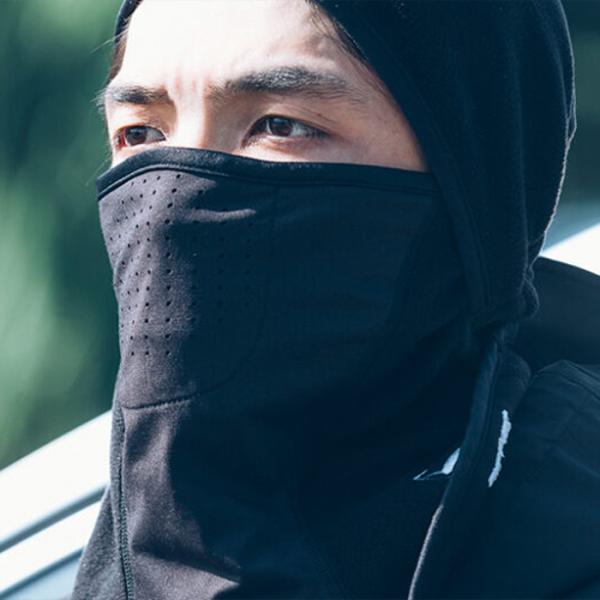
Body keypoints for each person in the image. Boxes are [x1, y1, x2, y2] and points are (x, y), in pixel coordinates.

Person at [73, 1, 600, 598]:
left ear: (479, 179)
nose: (172, 210)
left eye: (280, 126)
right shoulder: (131, 552)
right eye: (140, 135)